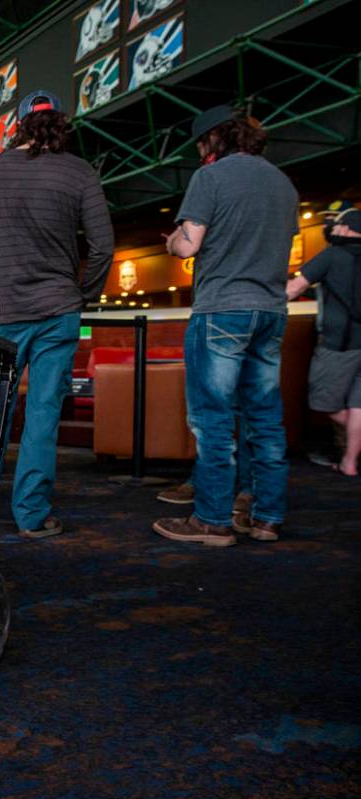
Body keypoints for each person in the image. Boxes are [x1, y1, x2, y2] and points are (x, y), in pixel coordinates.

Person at [0, 90, 113, 539]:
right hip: (59, 310)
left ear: (19, 124)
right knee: (43, 413)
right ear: (61, 123)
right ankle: (32, 516)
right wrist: (82, 293)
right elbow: (103, 247)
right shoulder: (79, 172)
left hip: (7, 311)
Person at [153, 106, 297, 546]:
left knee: (213, 420)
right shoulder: (283, 184)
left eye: (200, 146)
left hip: (221, 310)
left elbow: (188, 245)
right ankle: (266, 517)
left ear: (212, 141)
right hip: (271, 312)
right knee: (266, 420)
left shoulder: (210, 178)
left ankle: (211, 520)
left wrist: (173, 239)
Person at [286, 208, 361, 477]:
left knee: (324, 403)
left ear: (347, 229)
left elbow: (293, 289)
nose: (333, 228)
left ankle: (350, 460)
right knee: (358, 405)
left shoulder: (332, 255)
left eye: (338, 225)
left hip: (338, 345)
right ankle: (349, 463)